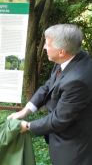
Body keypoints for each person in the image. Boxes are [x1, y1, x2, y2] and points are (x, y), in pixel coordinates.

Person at [8, 24, 92, 165]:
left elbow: (59, 119)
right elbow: (48, 86)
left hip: (74, 150)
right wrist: (25, 111)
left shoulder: (78, 80)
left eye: (47, 44)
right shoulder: (71, 58)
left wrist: (28, 126)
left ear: (61, 51)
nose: (45, 48)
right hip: (64, 140)